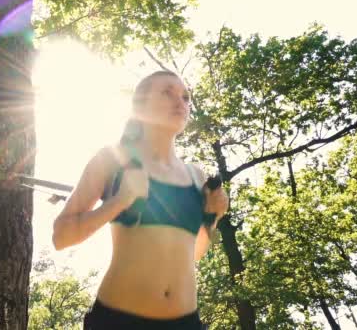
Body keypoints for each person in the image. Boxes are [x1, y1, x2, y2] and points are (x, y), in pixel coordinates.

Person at [52, 71, 229, 330]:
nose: (180, 102)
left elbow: (193, 254)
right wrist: (119, 201)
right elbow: (61, 237)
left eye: (185, 97)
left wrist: (211, 218)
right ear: (140, 106)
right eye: (167, 93)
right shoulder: (112, 160)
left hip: (186, 323)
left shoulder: (196, 176)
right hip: (118, 321)